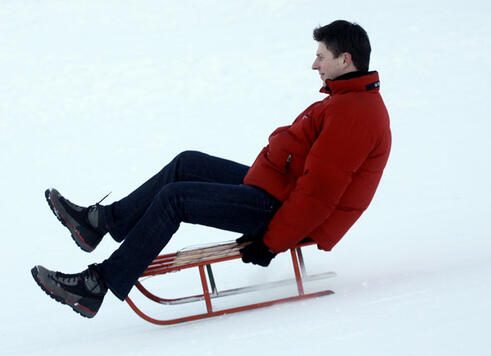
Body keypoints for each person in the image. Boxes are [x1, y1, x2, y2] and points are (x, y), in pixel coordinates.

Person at [30, 20, 392, 319]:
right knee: (187, 163)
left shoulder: (354, 114)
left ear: (345, 59)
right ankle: (101, 223)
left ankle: (97, 284)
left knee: (175, 199)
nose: (315, 65)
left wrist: (271, 243)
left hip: (282, 210)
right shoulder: (347, 101)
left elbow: (319, 193)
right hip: (278, 191)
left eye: (321, 57)